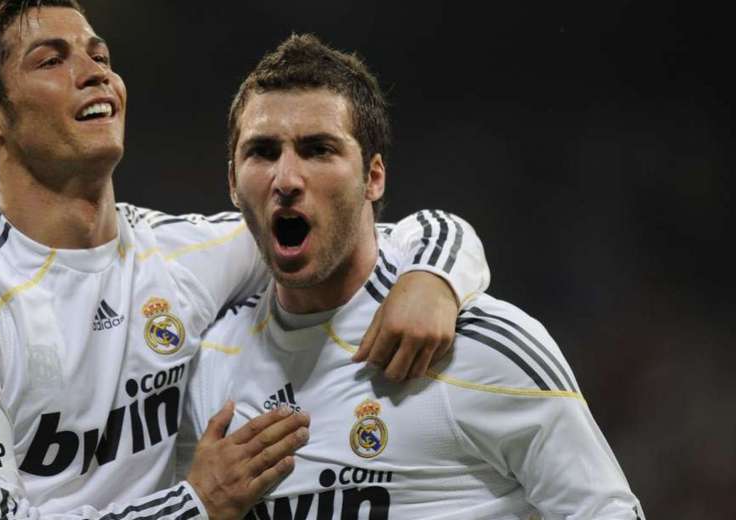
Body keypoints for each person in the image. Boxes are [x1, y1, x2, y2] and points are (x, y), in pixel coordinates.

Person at [0, 2, 492, 519]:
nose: (95, 74)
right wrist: (195, 505)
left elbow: (374, 233)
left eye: (99, 56)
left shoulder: (188, 255)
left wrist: (433, 278)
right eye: (52, 60)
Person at [181, 34, 644, 519]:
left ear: (373, 177)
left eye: (318, 149)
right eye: (263, 152)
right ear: (232, 181)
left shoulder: (479, 348)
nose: (287, 179)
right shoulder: (209, 364)